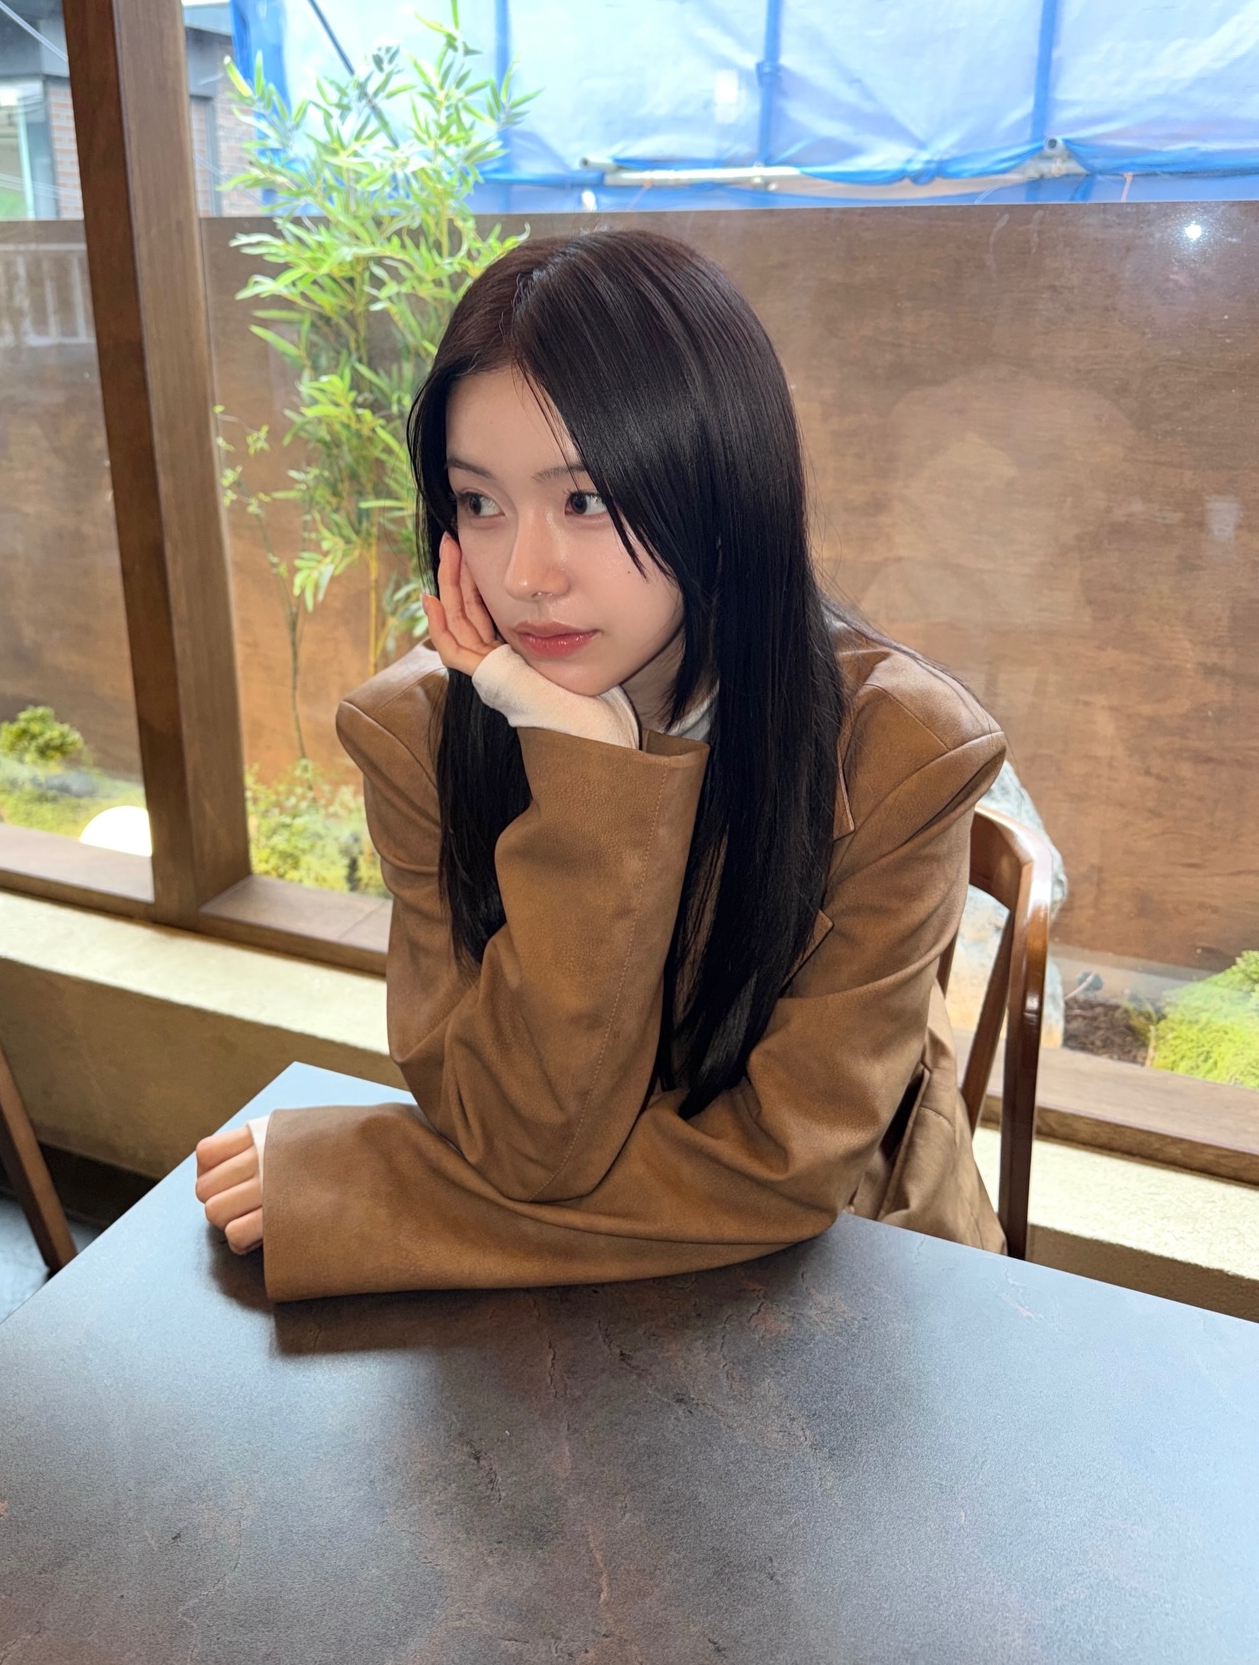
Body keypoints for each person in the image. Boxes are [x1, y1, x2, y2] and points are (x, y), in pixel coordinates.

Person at [195, 229, 1007, 1299]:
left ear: (723, 492)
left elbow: (780, 1174)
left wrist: (363, 1184)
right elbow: (521, 1146)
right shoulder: (416, 737)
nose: (526, 575)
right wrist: (586, 778)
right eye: (479, 503)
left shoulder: (901, 754)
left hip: (850, 1291)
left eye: (584, 500)